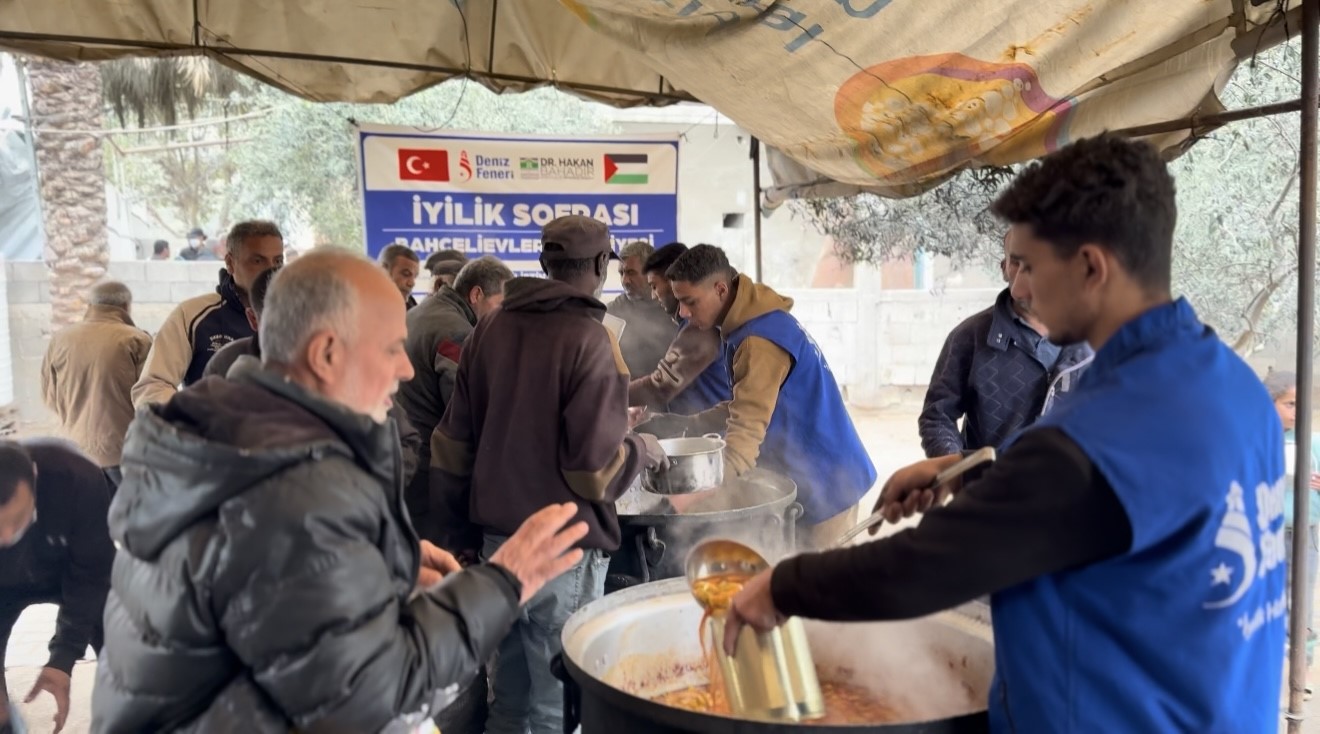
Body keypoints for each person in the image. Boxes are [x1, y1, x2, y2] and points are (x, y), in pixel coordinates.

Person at [723, 135, 1286, 733]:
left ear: (1091, 267)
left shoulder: (1090, 448)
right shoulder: (1235, 388)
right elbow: (1133, 495)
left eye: (1031, 267)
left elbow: (925, 568)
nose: (1020, 290)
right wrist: (970, 467)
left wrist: (782, 586)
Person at [92, 249, 594, 733]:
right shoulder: (295, 492)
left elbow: (285, 624)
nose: (406, 370)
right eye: (392, 348)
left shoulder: (229, 440)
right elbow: (367, 697)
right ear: (327, 354)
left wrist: (376, 565)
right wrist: (503, 583)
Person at [431, 215, 664, 734]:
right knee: (558, 710)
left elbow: (450, 445)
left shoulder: (489, 327)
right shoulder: (590, 338)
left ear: (542, 262)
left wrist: (458, 538)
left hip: (500, 548)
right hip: (563, 551)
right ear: (601, 265)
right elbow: (593, 472)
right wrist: (640, 448)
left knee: (509, 701)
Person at [658, 244, 876, 546]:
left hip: (828, 482)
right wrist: (689, 425)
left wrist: (690, 498)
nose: (682, 312)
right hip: (814, 472)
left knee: (823, 574)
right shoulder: (754, 324)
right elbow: (748, 402)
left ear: (720, 289)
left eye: (689, 301)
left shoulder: (758, 341)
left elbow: (743, 441)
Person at [203, 266, 422, 485]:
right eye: (279, 321)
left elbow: (405, 441)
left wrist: (365, 484)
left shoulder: (353, 365)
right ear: (253, 319)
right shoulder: (224, 365)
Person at [919, 232, 1094, 457]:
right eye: (1016, 262)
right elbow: (937, 417)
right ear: (1004, 268)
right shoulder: (969, 337)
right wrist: (957, 468)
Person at [0, 440, 113, 734]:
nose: (7, 537)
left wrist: (63, 657)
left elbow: (92, 575)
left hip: (69, 567)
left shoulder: (79, 479)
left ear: (35, 479)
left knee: (121, 645)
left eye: (16, 520)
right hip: (3, 586)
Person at [398, 256, 513, 542]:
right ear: (476, 295)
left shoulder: (421, 312)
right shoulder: (458, 332)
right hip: (428, 475)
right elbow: (466, 414)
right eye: (500, 306)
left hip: (403, 463)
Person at [131, 219, 286, 407]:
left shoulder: (299, 315)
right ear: (230, 263)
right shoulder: (192, 315)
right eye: (257, 261)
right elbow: (153, 386)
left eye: (278, 261)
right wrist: (199, 416)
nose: (270, 270)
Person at [40, 281, 152, 487]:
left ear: (90, 305)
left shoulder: (60, 339)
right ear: (126, 306)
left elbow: (49, 397)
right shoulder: (137, 340)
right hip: (124, 453)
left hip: (75, 452)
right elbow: (150, 401)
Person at [627, 242, 731, 415]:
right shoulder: (692, 323)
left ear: (673, 282)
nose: (653, 295)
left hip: (711, 431)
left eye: (654, 286)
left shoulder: (700, 327)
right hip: (699, 426)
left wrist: (602, 394)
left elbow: (659, 388)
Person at [1265, 369, 1320, 681]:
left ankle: (1301, 670)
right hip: (1263, 534)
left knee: (1300, 603)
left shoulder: (1313, 442)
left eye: (1302, 404)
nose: (1298, 411)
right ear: (1270, 402)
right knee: (1265, 600)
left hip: (1303, 534)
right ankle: (1271, 668)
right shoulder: (1258, 439)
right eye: (1290, 404)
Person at [607, 241, 678, 379]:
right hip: (628, 390)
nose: (625, 281)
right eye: (621, 273)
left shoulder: (678, 309)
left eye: (631, 273)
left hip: (673, 388)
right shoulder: (612, 312)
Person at [380, 244, 422, 309]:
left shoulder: (412, 306)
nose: (412, 283)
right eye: (406, 274)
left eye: (415, 277)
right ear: (384, 270)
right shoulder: (365, 307)